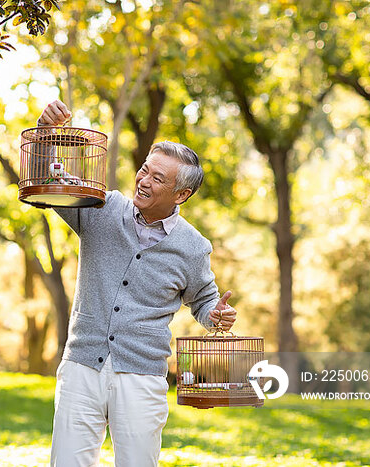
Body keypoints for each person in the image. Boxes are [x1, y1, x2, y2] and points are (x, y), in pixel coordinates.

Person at [37, 100, 237, 467]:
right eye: (145, 170)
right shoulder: (100, 207)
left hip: (142, 376)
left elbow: (205, 301)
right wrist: (47, 135)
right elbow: (50, 184)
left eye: (157, 178)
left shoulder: (193, 247)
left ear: (181, 195)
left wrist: (216, 316)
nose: (143, 181)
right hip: (82, 365)